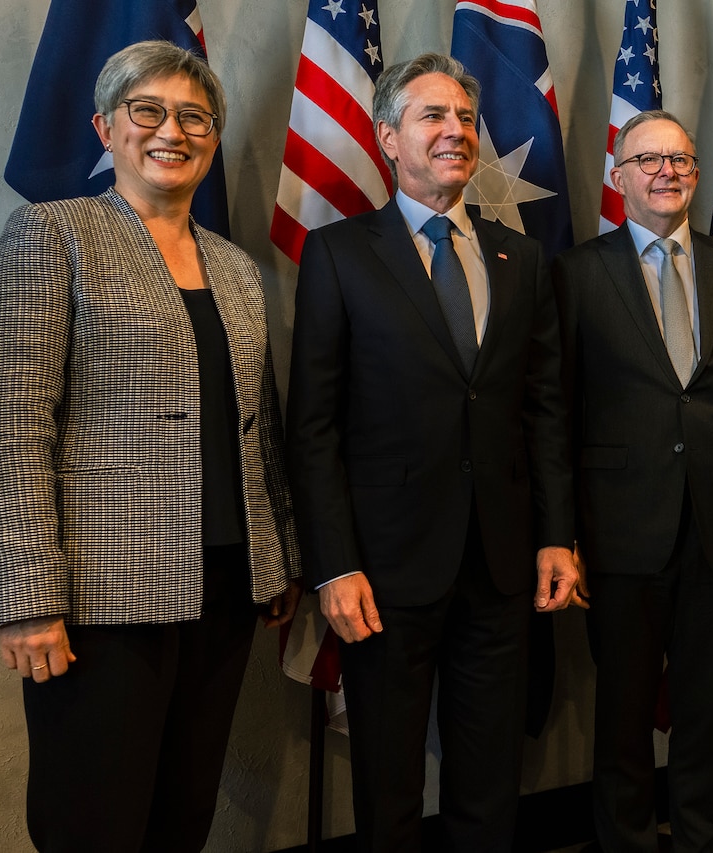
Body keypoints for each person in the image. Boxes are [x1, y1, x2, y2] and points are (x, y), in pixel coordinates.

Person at [0, 40, 301, 852]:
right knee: (94, 823)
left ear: (213, 139)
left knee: (182, 817)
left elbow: (257, 426)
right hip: (99, 601)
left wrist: (278, 553)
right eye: (147, 111)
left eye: (195, 117)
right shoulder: (54, 236)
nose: (172, 131)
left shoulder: (235, 268)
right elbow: (12, 427)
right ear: (105, 127)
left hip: (225, 586)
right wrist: (27, 597)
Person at [284, 53, 577, 853]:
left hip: (502, 561)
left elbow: (544, 411)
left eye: (464, 119)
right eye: (432, 116)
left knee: (490, 779)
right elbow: (312, 425)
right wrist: (333, 564)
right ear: (387, 136)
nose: (455, 132)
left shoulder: (521, 259)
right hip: (385, 569)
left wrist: (557, 535)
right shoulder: (340, 254)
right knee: (389, 782)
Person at [552, 109, 713, 853]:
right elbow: (556, 419)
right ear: (618, 176)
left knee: (705, 718)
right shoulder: (576, 273)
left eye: (682, 161)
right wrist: (562, 536)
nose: (668, 172)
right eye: (650, 160)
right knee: (623, 722)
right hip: (621, 536)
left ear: (696, 174)